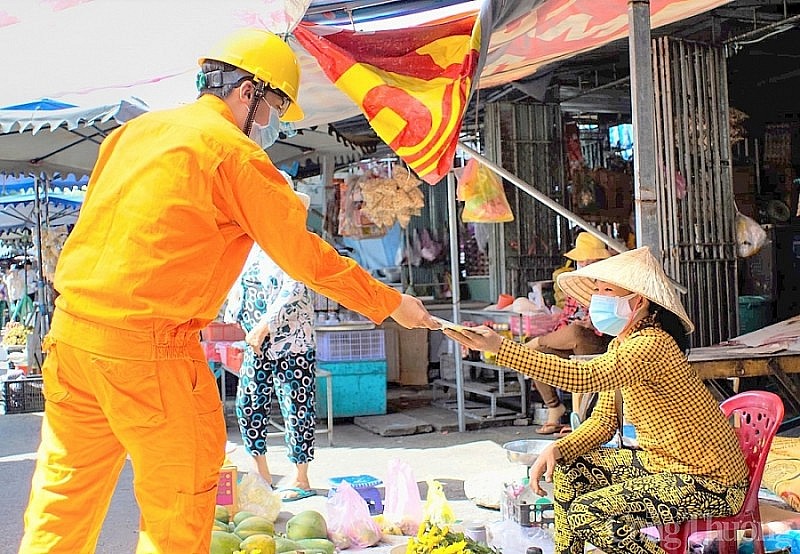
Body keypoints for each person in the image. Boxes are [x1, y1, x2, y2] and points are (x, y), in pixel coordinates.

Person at [19, 29, 437, 554]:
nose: (269, 126)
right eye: (273, 110)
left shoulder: (131, 134)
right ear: (247, 91)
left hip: (73, 341)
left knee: (61, 503)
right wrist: (391, 303)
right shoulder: (233, 155)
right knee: (177, 513)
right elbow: (305, 258)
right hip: (150, 355)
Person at [443, 247, 748, 554]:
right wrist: (558, 449)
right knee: (569, 468)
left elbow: (584, 377)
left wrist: (504, 348)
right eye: (597, 291)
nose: (599, 298)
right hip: (663, 465)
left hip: (710, 481)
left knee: (586, 513)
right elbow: (603, 421)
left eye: (608, 291)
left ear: (639, 301)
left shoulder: (652, 344)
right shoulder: (622, 344)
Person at [224, 191, 318, 501]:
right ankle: (261, 473)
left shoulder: (298, 242)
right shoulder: (255, 243)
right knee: (249, 404)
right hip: (255, 342)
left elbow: (296, 287)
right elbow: (240, 282)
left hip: (292, 341)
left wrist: (266, 326)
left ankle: (301, 478)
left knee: (296, 408)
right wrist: (234, 318)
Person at [527, 232, 612, 435]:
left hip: (601, 342)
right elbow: (565, 318)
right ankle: (554, 408)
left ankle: (584, 418)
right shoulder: (576, 285)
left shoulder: (610, 282)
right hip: (574, 341)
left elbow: (614, 321)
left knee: (575, 332)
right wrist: (557, 339)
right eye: (582, 261)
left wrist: (592, 324)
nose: (585, 265)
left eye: (590, 261)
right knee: (536, 356)